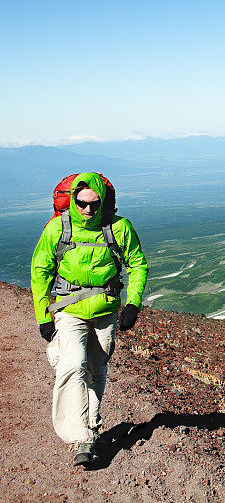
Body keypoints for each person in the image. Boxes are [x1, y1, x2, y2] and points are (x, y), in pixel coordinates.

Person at [30, 172, 149, 468]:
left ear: (103, 202)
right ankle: (78, 436)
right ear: (72, 200)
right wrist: (44, 315)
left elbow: (137, 264)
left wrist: (133, 303)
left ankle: (90, 427)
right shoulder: (58, 228)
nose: (87, 210)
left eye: (94, 204)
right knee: (72, 365)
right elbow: (40, 271)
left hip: (105, 311)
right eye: (82, 204)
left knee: (97, 370)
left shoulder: (119, 228)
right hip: (68, 310)